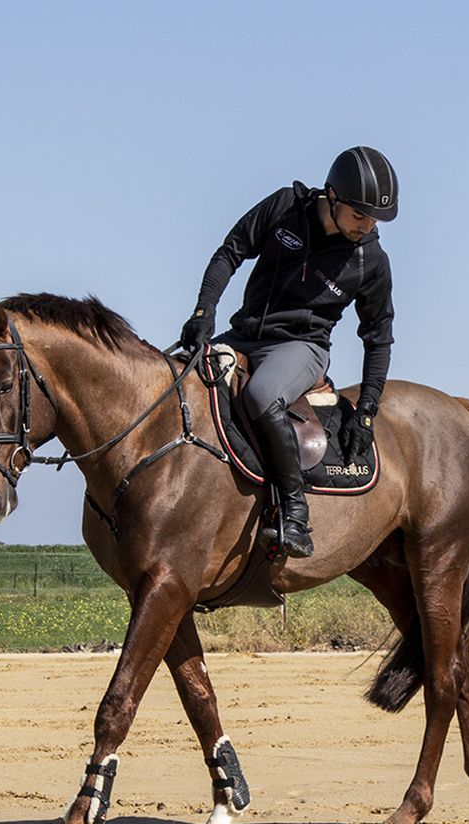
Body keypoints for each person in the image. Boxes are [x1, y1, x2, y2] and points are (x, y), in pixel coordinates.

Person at [180, 146, 398, 558]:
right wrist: (203, 313)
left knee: (262, 395)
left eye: (374, 219)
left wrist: (368, 409)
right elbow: (230, 252)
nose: (366, 226)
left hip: (303, 346)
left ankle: (294, 513)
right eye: (359, 215)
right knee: (179, 378)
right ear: (332, 197)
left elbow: (378, 337)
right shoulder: (285, 206)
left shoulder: (371, 259)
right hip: (244, 333)